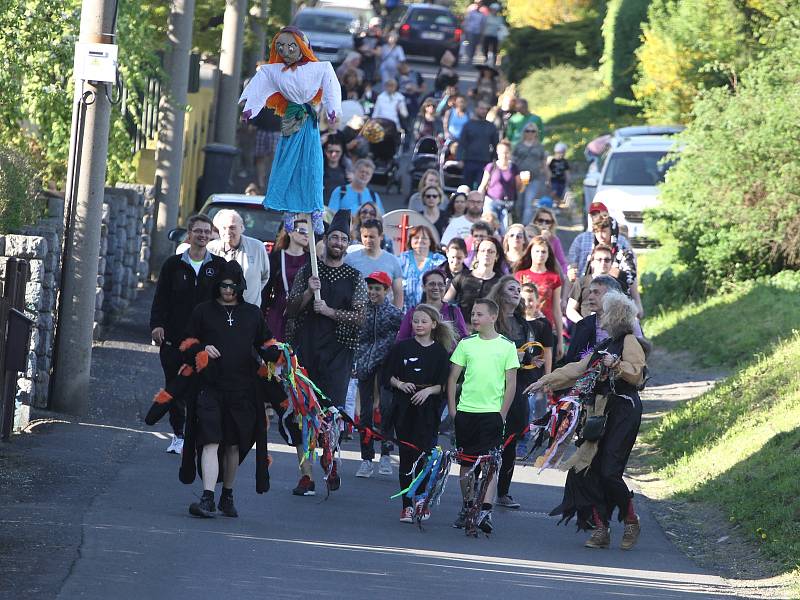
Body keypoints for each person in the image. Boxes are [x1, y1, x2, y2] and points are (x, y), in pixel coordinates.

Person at [525, 292, 647, 550]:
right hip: (599, 413)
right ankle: (601, 528)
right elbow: (576, 370)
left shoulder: (628, 342)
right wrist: (544, 381)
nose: (599, 315)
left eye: (603, 311)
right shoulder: (603, 347)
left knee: (609, 471)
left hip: (623, 412)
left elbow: (636, 374)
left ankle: (631, 520)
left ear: (615, 315)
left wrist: (617, 366)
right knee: (586, 469)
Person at [182, 261, 279, 518]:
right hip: (210, 386)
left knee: (234, 445)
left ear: (240, 287)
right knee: (210, 440)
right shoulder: (203, 311)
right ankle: (207, 497)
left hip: (243, 389)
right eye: (224, 285)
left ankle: (227, 494)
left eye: (233, 286)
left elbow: (266, 342)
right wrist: (201, 348)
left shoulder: (253, 314)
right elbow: (188, 342)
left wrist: (274, 353)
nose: (228, 290)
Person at [286, 210, 368, 496]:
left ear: (347, 244)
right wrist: (309, 293)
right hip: (306, 349)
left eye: (343, 239)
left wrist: (330, 312)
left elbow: (360, 317)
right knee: (303, 413)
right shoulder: (309, 271)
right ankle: (305, 475)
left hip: (338, 353)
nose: (338, 242)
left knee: (331, 413)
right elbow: (291, 310)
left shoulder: (355, 277)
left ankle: (330, 457)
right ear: (326, 239)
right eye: (334, 236)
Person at [239, 26, 342, 234]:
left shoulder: (321, 68)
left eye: (291, 46)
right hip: (291, 121)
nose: (285, 51)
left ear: (302, 46)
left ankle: (315, 210)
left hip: (308, 121)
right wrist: (250, 109)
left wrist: (332, 110)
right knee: (286, 164)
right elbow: (258, 88)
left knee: (312, 166)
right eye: (281, 47)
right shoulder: (272, 71)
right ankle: (288, 209)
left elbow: (331, 87)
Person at [150, 215, 226, 454]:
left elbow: (225, 301)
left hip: (203, 343)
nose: (203, 235)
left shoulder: (219, 266)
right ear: (189, 234)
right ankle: (179, 435)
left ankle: (197, 434)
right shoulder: (173, 265)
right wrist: (156, 325)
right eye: (198, 231)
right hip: (173, 340)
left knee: (200, 389)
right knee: (175, 388)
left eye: (207, 232)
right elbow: (160, 298)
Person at [448, 298, 519, 533]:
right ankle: (468, 506)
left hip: (491, 414)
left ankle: (485, 510)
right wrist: (453, 409)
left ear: (492, 317)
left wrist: (502, 413)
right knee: (467, 464)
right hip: (466, 412)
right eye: (473, 314)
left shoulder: (507, 346)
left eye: (479, 314)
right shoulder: (466, 344)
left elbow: (511, 383)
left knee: (490, 464)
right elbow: (452, 378)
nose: (474, 318)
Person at [487, 277, 553, 508]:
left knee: (511, 440)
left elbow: (528, 354)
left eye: (518, 289)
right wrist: (517, 355)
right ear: (500, 293)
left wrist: (533, 362)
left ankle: (503, 492)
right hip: (492, 386)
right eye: (511, 288)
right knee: (489, 437)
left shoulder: (524, 325)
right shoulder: (490, 319)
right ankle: (481, 488)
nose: (516, 292)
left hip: (518, 386)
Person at [386, 304, 454, 522]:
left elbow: (444, 384)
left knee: (426, 456)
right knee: (406, 456)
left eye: (424, 321)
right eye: (415, 321)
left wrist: (428, 391)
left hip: (428, 410)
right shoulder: (401, 348)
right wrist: (400, 384)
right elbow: (387, 374)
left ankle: (421, 501)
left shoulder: (440, 352)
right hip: (404, 408)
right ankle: (406, 505)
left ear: (434, 324)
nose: (419, 325)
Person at [354, 271, 403, 479]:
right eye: (371, 288)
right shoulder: (361, 311)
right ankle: (366, 458)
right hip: (365, 364)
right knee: (365, 412)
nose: (373, 292)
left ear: (387, 290)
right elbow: (355, 336)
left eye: (378, 288)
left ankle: (385, 453)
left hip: (385, 366)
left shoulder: (394, 313)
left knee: (386, 407)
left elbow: (403, 337)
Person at [563, 274, 643, 365]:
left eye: (596, 293)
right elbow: (570, 361)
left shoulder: (630, 324)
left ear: (612, 295)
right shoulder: (583, 325)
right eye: (590, 292)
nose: (590, 297)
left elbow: (639, 360)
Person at [513, 236, 563, 359]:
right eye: (537, 251)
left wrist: (561, 340)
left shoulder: (554, 278)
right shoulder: (521, 275)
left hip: (545, 327)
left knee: (545, 367)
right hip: (523, 326)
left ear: (548, 254)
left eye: (544, 251)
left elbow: (556, 309)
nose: (540, 254)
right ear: (530, 252)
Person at [207, 210, 270, 307]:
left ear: (242, 228)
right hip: (219, 310)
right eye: (223, 228)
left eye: (232, 227)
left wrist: (251, 294)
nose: (227, 232)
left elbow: (265, 277)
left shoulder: (257, 247)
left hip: (249, 310)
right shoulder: (210, 248)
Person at [262, 218, 310, 341]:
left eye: (310, 232)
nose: (307, 235)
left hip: (302, 313)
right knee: (276, 353)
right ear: (290, 232)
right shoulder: (276, 257)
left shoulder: (311, 260)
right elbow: (266, 289)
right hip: (278, 311)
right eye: (302, 231)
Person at [344, 218, 404, 309]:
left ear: (381, 236)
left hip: (384, 315)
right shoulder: (350, 259)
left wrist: (398, 317)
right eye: (365, 236)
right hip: (357, 314)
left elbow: (398, 294)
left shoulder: (392, 261)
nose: (368, 240)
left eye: (372, 237)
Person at [396, 269, 469, 342]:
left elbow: (464, 339)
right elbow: (401, 340)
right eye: (432, 284)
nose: (436, 287)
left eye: (440, 284)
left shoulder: (453, 311)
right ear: (423, 287)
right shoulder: (413, 312)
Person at [444, 237, 504, 321]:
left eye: (491, 251)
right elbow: (445, 303)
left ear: (496, 256)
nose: (486, 254)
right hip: (462, 329)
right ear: (477, 254)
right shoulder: (462, 276)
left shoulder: (501, 281)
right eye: (482, 251)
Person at [400, 225, 446, 313]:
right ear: (411, 240)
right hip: (405, 313)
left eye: (424, 238)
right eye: (416, 237)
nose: (420, 240)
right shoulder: (403, 258)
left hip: (432, 313)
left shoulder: (439, 260)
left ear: (430, 241)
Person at [478, 139, 525, 226]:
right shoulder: (491, 166)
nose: (504, 155)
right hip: (491, 202)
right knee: (488, 226)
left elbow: (519, 188)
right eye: (502, 152)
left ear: (510, 153)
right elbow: (483, 185)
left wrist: (524, 182)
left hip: (507, 205)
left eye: (507, 152)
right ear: (497, 152)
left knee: (504, 229)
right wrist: (478, 200)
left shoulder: (514, 168)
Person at [566, 244, 617, 323]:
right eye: (599, 259)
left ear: (611, 263)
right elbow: (570, 310)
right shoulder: (581, 282)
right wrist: (584, 323)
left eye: (607, 260)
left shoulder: (616, 285)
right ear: (592, 262)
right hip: (585, 330)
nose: (603, 263)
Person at [457, 101, 499, 190]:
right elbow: (461, 144)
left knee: (481, 188)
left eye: (486, 109)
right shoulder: (468, 125)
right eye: (481, 108)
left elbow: (496, 145)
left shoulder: (491, 127)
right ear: (476, 109)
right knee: (466, 188)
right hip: (469, 161)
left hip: (485, 162)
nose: (484, 111)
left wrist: (495, 160)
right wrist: (459, 158)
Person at [512, 124, 547, 226]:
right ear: (524, 132)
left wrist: (547, 177)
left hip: (534, 178)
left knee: (528, 204)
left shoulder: (539, 146)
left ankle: (525, 226)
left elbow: (543, 162)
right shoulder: (519, 145)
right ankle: (516, 222)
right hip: (520, 178)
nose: (530, 133)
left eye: (532, 131)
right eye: (527, 131)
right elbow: (513, 160)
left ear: (536, 133)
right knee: (519, 203)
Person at [250, 102, 282, 191]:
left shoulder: (282, 92)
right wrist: (251, 122)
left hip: (276, 129)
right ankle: (261, 182)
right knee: (260, 157)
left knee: (274, 157)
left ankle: (270, 181)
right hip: (262, 128)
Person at [528, 207, 568, 276]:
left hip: (549, 275)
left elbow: (562, 263)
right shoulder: (529, 236)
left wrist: (562, 277)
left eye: (548, 222)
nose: (544, 224)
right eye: (540, 220)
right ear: (535, 221)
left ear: (551, 224)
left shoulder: (554, 240)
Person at [355, 17, 383, 84]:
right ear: (370, 25)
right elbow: (357, 47)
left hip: (371, 63)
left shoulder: (379, 39)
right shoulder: (362, 35)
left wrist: (368, 49)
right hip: (358, 62)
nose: (377, 28)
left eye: (379, 26)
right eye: (375, 26)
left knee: (368, 81)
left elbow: (378, 52)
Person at [322, 138, 351, 203]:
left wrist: (355, 180)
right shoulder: (319, 170)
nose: (333, 154)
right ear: (325, 151)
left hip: (341, 208)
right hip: (322, 208)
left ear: (342, 152)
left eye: (337, 151)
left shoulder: (347, 171)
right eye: (330, 151)